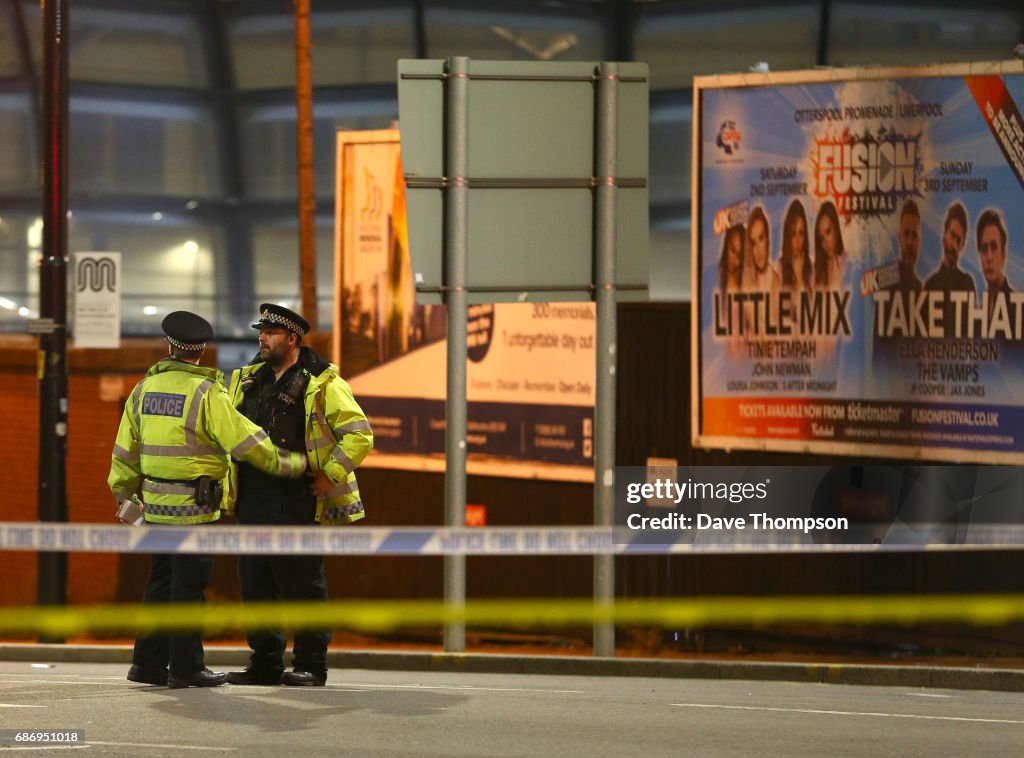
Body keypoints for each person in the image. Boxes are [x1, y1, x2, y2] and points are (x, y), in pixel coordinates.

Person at [108, 311, 308, 689]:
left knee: (159, 584)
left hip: (153, 508)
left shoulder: (142, 390)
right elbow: (245, 442)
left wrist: (123, 494)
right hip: (194, 510)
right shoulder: (206, 392)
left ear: (169, 347)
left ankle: (147, 664)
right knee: (188, 588)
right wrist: (293, 464)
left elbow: (124, 451)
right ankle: (186, 667)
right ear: (202, 352)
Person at [225, 304, 373, 687]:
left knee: (302, 583)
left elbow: (359, 435)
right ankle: (266, 663)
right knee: (256, 583)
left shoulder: (322, 382)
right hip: (254, 496)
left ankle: (311, 664)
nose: (262, 337)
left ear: (292, 338)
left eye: (271, 332)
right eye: (261, 331)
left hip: (298, 497)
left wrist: (330, 473)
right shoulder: (245, 380)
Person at [924, 201, 975, 336]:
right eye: (952, 236)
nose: (954, 245)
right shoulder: (929, 285)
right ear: (944, 234)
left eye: (959, 241)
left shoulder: (967, 283)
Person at [975, 208, 1012, 319]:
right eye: (984, 248)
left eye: (994, 247)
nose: (989, 257)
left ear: (1003, 254)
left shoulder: (1018, 308)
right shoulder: (978, 315)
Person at [741, 206, 780, 293]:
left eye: (761, 238)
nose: (758, 250)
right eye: (753, 243)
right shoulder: (744, 278)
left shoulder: (776, 282)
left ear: (768, 239)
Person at [780, 200, 812, 293]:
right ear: (788, 235)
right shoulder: (780, 268)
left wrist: (799, 277)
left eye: (801, 233)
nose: (797, 240)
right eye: (793, 233)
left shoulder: (811, 269)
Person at [813, 201, 845, 290]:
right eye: (822, 238)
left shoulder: (850, 263)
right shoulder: (820, 270)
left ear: (836, 229)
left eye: (828, 232)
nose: (825, 242)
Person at [894, 199, 923, 294]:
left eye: (914, 235)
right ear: (899, 237)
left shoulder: (920, 289)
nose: (910, 242)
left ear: (919, 241)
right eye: (906, 234)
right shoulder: (884, 279)